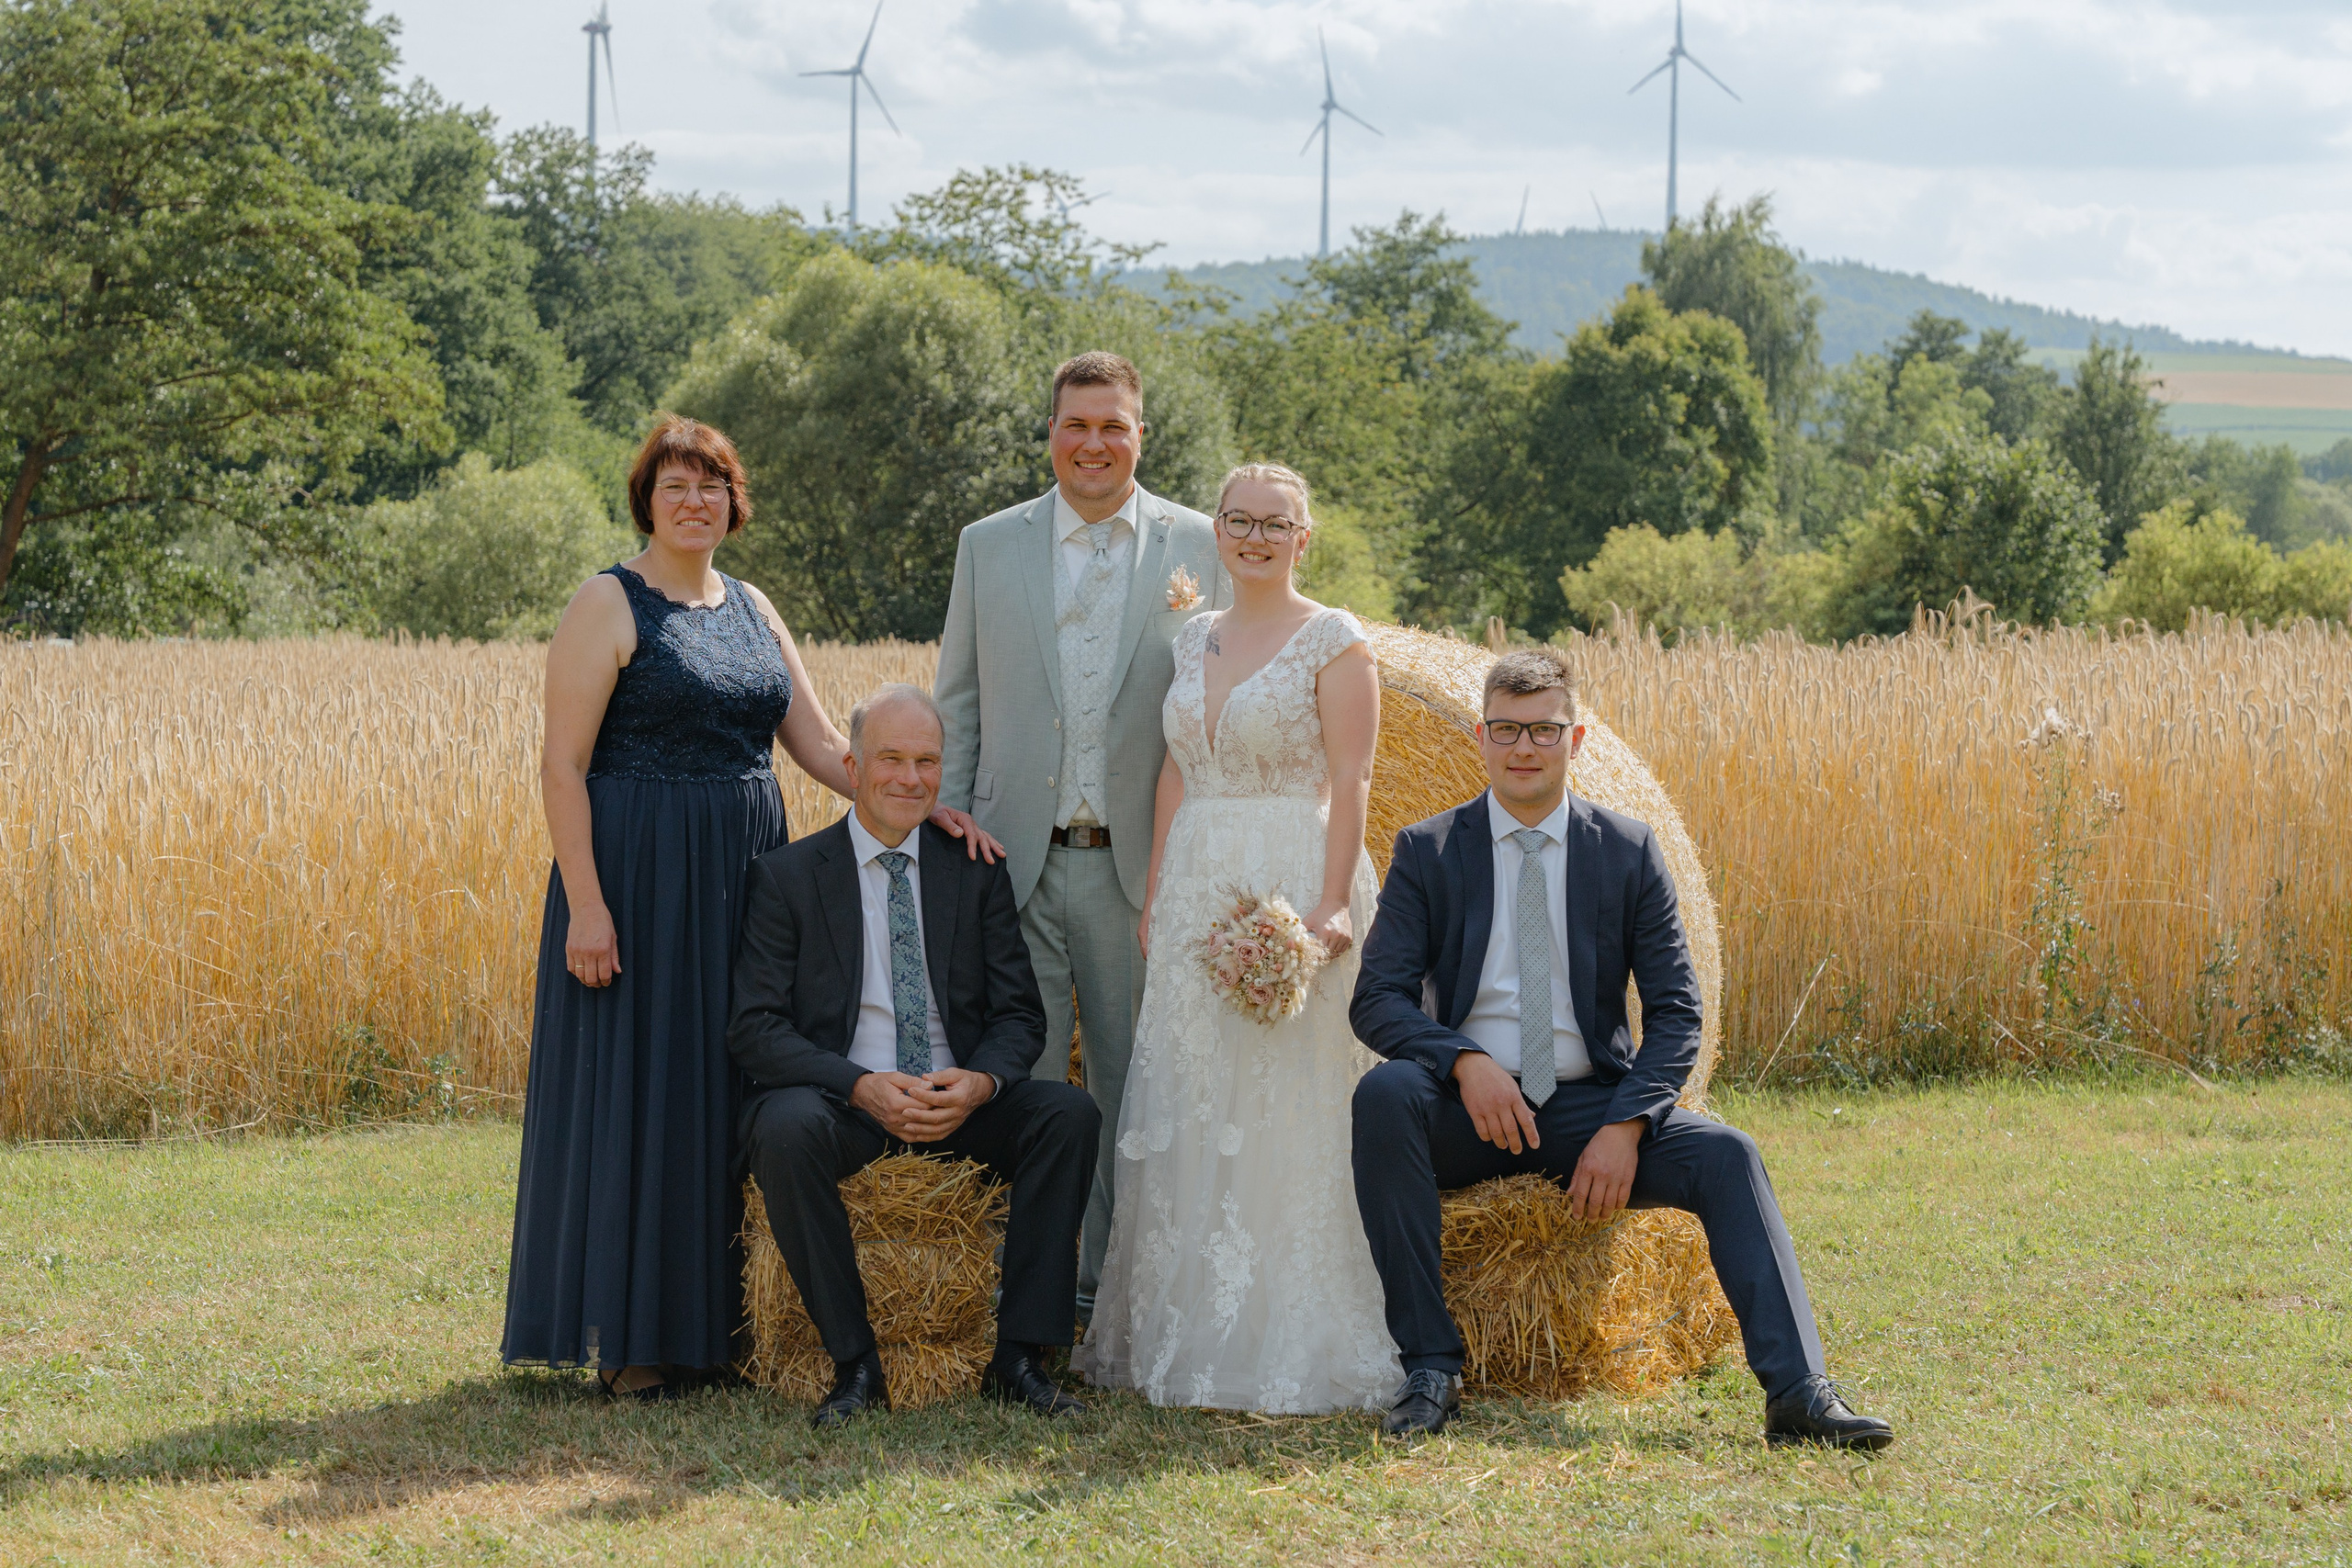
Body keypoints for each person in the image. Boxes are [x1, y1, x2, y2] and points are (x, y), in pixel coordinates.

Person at [502, 416, 999, 1402]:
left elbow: (817, 744)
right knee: (644, 1094)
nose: (695, 501)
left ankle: (720, 1330)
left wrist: (917, 799)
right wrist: (587, 908)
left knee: (726, 1087)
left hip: (743, 875)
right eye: (675, 485)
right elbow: (561, 766)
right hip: (637, 878)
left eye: (712, 486)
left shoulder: (755, 606)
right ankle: (637, 1340)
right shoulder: (607, 601)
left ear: (735, 502)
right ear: (646, 498)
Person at [1348, 647, 1894, 1448]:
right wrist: (1464, 1063)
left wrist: (1627, 1125)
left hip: (1585, 1107)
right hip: (1470, 1111)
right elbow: (1376, 999)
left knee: (1728, 1153)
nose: (1523, 746)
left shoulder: (1627, 849)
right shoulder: (1430, 849)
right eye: (1506, 728)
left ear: (1577, 741)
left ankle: (1798, 1392)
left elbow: (1677, 1013)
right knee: (1384, 1096)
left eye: (1543, 729)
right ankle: (1431, 1366)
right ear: (1479, 736)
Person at [1076, 462, 1401, 1413]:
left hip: (1293, 874)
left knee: (1287, 1100)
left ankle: (1286, 1334)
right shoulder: (1193, 636)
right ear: (1215, 530)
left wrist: (1332, 902)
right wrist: (1158, 890)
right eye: (1238, 520)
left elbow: (1353, 782)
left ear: (1305, 538)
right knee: (1194, 1092)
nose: (1254, 537)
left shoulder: (1334, 640)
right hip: (1196, 885)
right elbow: (1178, 768)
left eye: (1276, 524)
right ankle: (1185, 1333)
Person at [934, 350, 1226, 1325]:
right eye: (1076, 424)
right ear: (1050, 433)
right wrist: (956, 810)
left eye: (1114, 426)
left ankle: (1114, 1292)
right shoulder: (987, 545)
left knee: (1131, 1085)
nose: (1094, 443)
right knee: (1016, 1085)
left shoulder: (1201, 545)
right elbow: (961, 699)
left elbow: (1218, 700)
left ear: (1141, 434)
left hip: (1141, 870)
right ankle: (1027, 1294)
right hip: (1010, 861)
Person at [729, 684, 1100, 1425]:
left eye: (926, 761)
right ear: (853, 765)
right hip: (848, 1104)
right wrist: (860, 1085)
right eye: (891, 759)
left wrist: (982, 1082)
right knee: (782, 1126)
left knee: (1067, 1112)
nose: (910, 777)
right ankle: (855, 1364)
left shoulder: (973, 867)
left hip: (952, 1101)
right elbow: (756, 1028)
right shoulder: (789, 876)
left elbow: (1020, 1015)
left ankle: (1020, 1356)